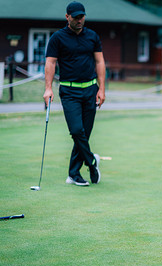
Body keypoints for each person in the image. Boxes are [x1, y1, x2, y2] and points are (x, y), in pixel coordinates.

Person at [43, 1, 105, 186]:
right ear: (67, 17)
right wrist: (48, 88)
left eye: (82, 16)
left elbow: (100, 62)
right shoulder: (57, 38)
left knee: (85, 132)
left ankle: (73, 174)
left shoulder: (92, 36)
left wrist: (101, 89)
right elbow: (50, 63)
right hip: (69, 91)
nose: (80, 20)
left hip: (90, 89)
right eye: (76, 17)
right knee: (77, 131)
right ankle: (91, 162)